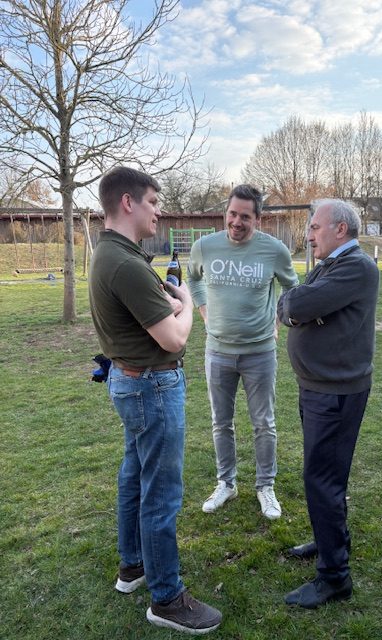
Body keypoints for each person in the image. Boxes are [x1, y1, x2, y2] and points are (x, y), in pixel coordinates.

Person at [88, 166, 222, 635]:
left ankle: (133, 566)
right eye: (153, 202)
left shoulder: (110, 253)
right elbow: (173, 339)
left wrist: (171, 307)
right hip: (152, 387)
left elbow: (152, 320)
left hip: (131, 382)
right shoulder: (126, 263)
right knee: (160, 493)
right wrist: (186, 305)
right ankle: (166, 598)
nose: (158, 211)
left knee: (134, 476)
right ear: (128, 202)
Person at [277, 198, 379, 608]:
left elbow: (296, 304)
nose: (308, 235)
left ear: (340, 229)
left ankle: (335, 577)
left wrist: (302, 309)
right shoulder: (331, 265)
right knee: (325, 475)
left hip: (335, 393)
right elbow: (293, 302)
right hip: (318, 388)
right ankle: (329, 541)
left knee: (322, 479)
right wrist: (301, 308)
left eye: (315, 227)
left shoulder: (357, 266)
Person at [187, 184, 299, 519]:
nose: (237, 222)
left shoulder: (274, 250)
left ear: (257, 219)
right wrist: (203, 310)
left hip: (260, 352)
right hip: (217, 352)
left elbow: (292, 289)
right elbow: (193, 279)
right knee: (220, 422)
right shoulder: (205, 247)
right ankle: (226, 483)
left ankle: (265, 486)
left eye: (245, 217)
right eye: (232, 214)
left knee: (264, 423)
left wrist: (278, 320)